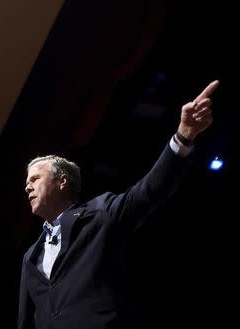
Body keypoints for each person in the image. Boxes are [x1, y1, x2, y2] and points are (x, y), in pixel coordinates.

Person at [17, 80, 220, 329]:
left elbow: (149, 191)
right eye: (27, 182)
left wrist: (184, 135)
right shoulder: (30, 257)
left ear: (62, 182)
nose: (28, 186)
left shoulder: (101, 213)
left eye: (36, 179)